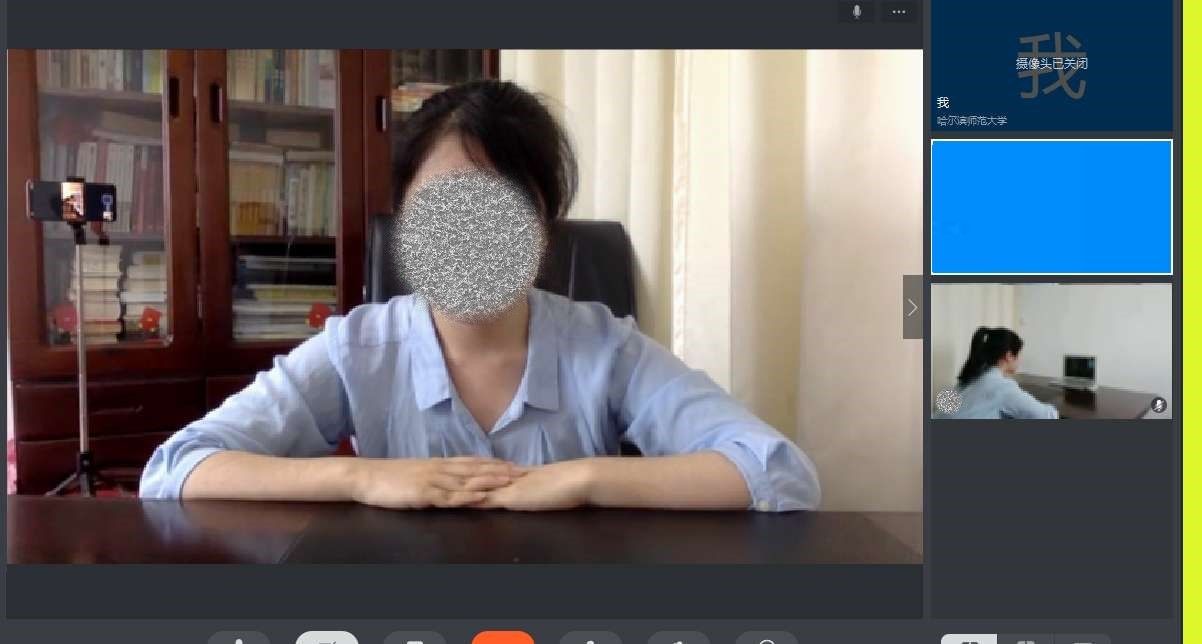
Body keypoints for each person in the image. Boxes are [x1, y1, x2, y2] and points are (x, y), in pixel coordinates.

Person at [139, 80, 820, 512]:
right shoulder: (359, 348)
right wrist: (364, 478)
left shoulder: (603, 347)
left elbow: (778, 472)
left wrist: (582, 479)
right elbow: (176, 468)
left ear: (544, 228)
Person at [945, 326, 1059, 419]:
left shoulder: (968, 377)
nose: (1020, 359)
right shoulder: (1003, 388)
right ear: (1009, 356)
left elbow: (943, 410)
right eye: (1019, 354)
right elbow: (1047, 416)